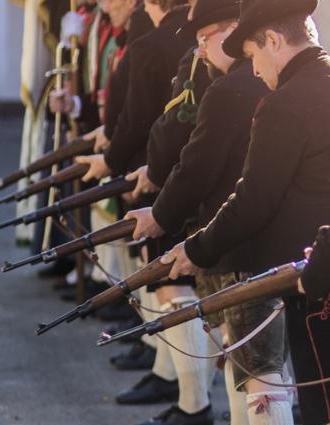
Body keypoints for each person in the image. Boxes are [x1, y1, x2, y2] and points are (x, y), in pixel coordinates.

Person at [162, 0, 330, 422]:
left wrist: (196, 249)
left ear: (273, 40)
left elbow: (254, 201)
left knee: (320, 407)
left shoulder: (283, 105)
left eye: (254, 55)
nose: (253, 71)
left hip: (316, 276)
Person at [126, 0, 272, 423]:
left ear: (231, 30)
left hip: (241, 243)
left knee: (256, 368)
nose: (200, 51)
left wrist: (161, 216)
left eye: (205, 39)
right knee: (247, 361)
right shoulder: (239, 82)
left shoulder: (228, 90)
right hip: (254, 237)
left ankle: (195, 407)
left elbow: (197, 164)